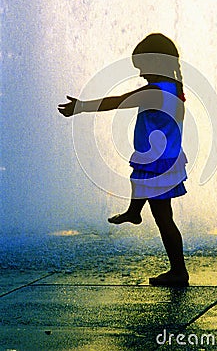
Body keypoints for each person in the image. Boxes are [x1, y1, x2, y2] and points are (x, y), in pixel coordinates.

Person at [58, 33, 189, 286]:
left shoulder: (155, 91)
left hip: (158, 161)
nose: (141, 75)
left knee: (164, 219)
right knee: (146, 190)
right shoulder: (174, 88)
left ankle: (178, 272)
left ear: (157, 65)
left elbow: (118, 102)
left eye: (143, 69)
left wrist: (82, 107)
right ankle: (134, 211)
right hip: (165, 158)